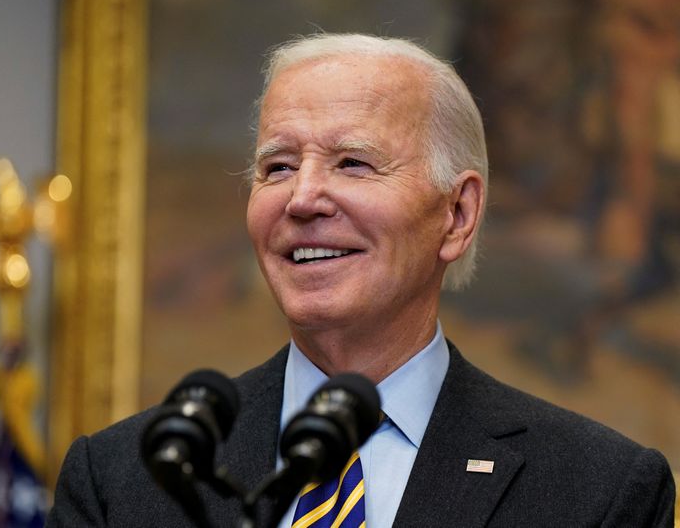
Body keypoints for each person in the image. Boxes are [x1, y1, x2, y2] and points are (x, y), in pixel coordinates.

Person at [47, 33, 676, 527]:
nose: (302, 198)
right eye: (277, 166)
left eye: (353, 163)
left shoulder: (598, 491)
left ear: (456, 216)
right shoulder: (121, 480)